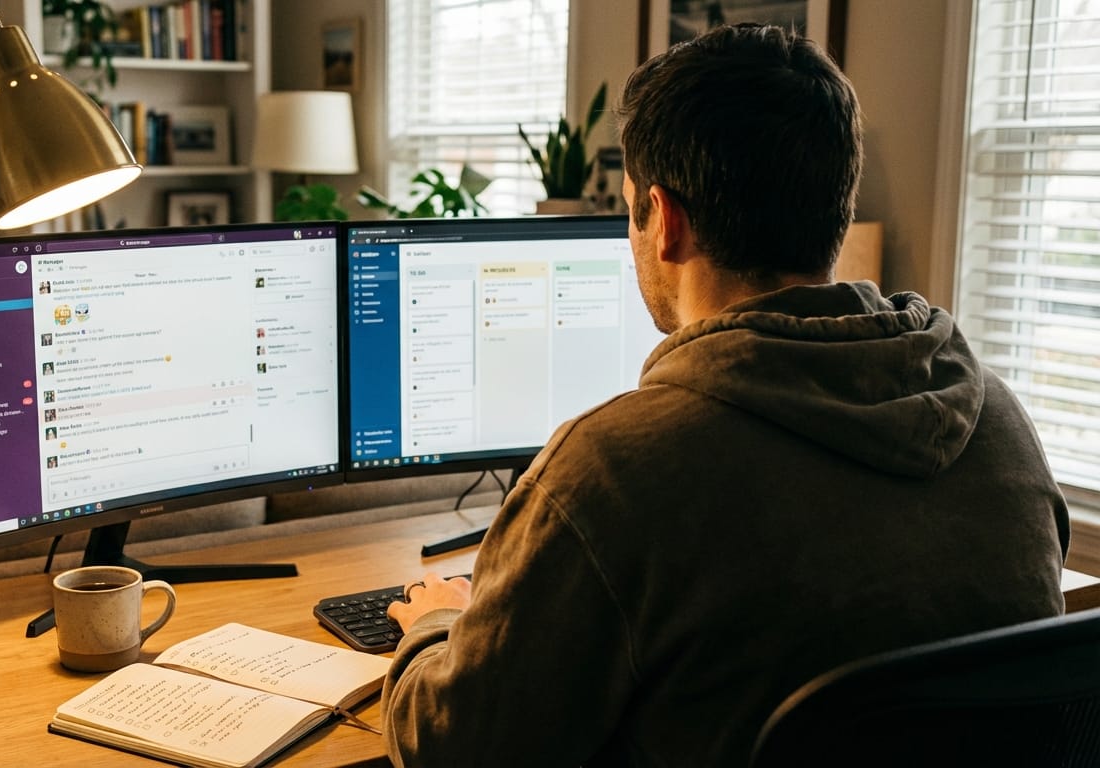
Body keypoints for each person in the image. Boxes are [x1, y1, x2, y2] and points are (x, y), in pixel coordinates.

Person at [381, 23, 1068, 767]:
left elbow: (450, 749)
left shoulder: (612, 470)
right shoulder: (998, 418)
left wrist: (436, 628)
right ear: (834, 205)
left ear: (664, 220)